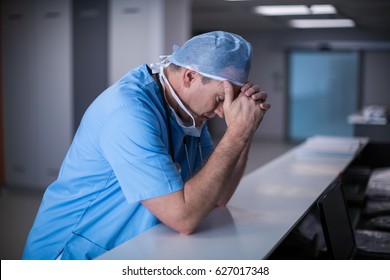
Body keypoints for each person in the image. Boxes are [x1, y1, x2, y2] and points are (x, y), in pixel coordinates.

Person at [22, 31, 270, 260]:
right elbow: (183, 217)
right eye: (220, 99)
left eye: (231, 100)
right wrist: (236, 133)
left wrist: (244, 130)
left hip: (128, 248)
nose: (221, 112)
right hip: (71, 255)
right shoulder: (128, 112)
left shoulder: (191, 115)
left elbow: (218, 197)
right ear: (190, 76)